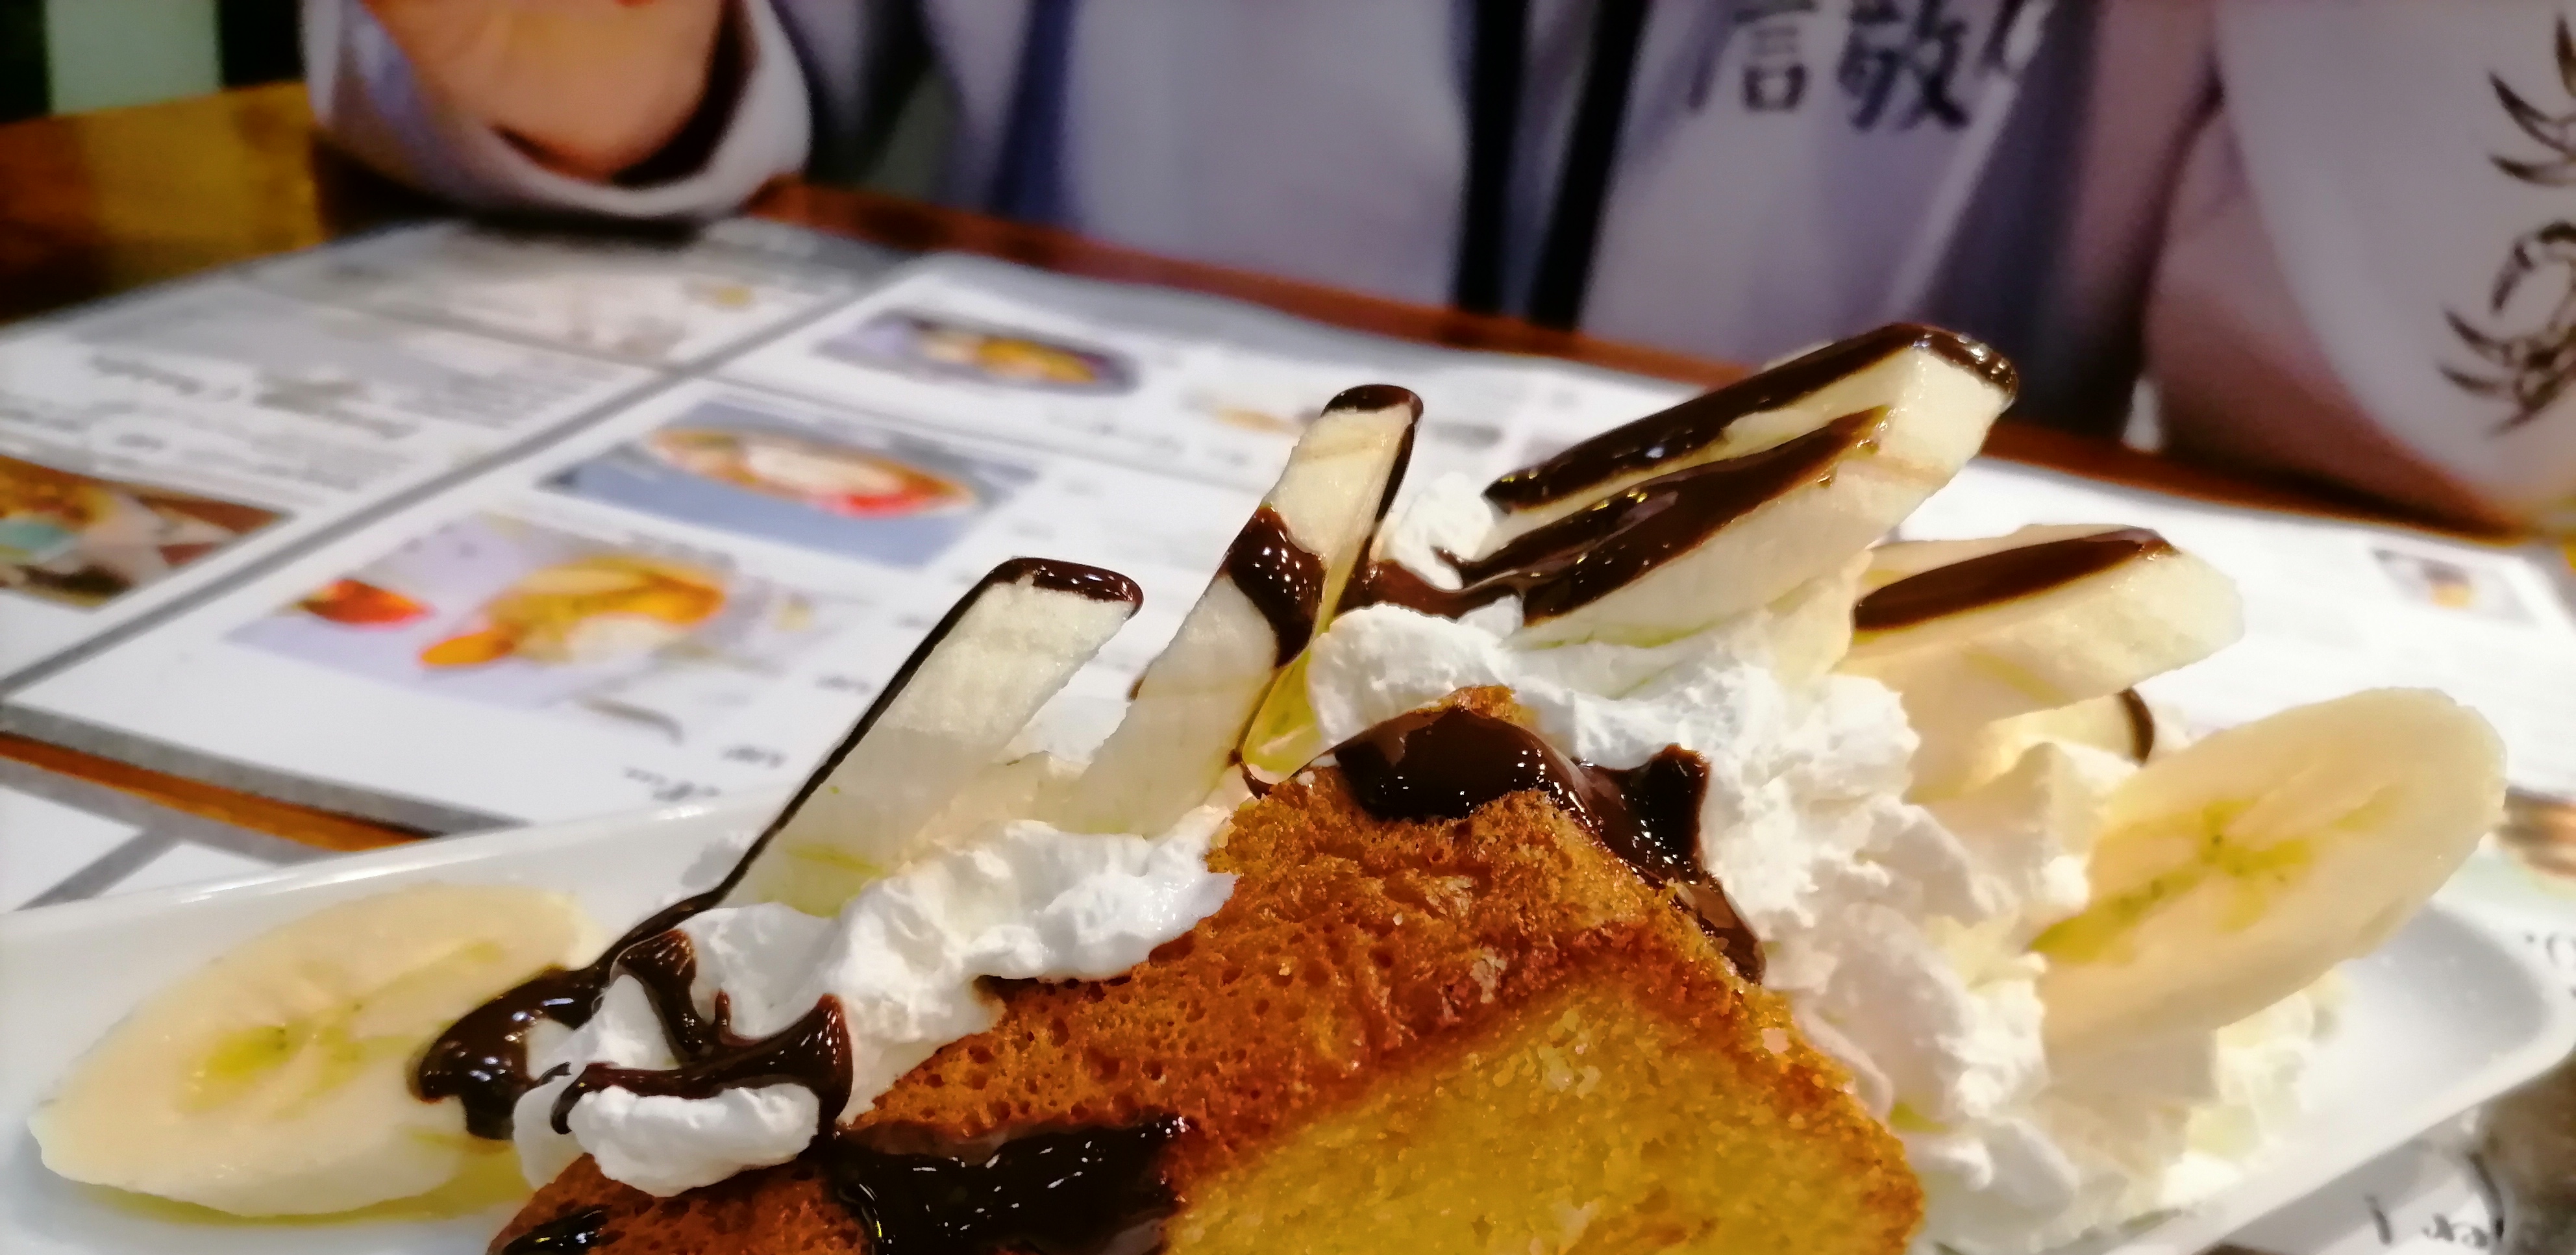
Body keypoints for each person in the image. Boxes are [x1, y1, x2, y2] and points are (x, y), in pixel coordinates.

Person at [305, 0, 2576, 526]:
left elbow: (2417, 456)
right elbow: (645, 72)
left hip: (1839, 677)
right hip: (1046, 551)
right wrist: (573, 73)